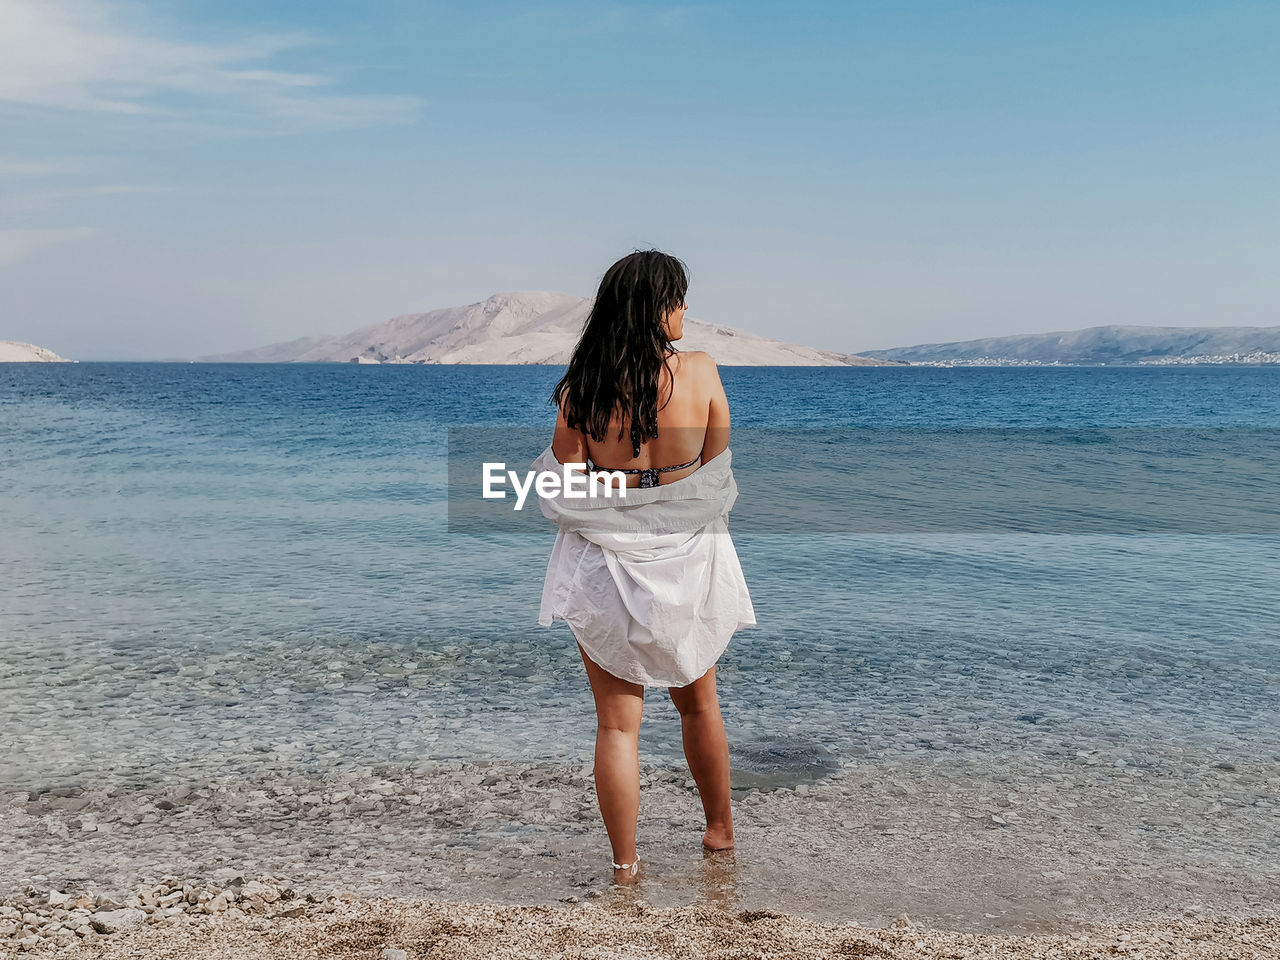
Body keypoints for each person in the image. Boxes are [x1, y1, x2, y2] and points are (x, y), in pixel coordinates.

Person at [530, 249, 756, 885]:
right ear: (657, 307)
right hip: (688, 558)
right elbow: (715, 474)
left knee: (615, 724)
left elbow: (562, 489)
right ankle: (719, 833)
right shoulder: (702, 372)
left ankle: (625, 867)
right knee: (699, 706)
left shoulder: (583, 389)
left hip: (608, 567)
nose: (685, 309)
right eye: (679, 297)